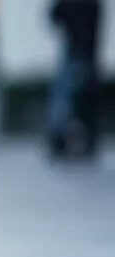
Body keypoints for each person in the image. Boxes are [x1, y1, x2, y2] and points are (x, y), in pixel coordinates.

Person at [48, 0, 104, 160]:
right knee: (72, 100)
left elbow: (55, 16)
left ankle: (65, 141)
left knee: (67, 100)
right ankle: (68, 141)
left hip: (79, 53)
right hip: (81, 53)